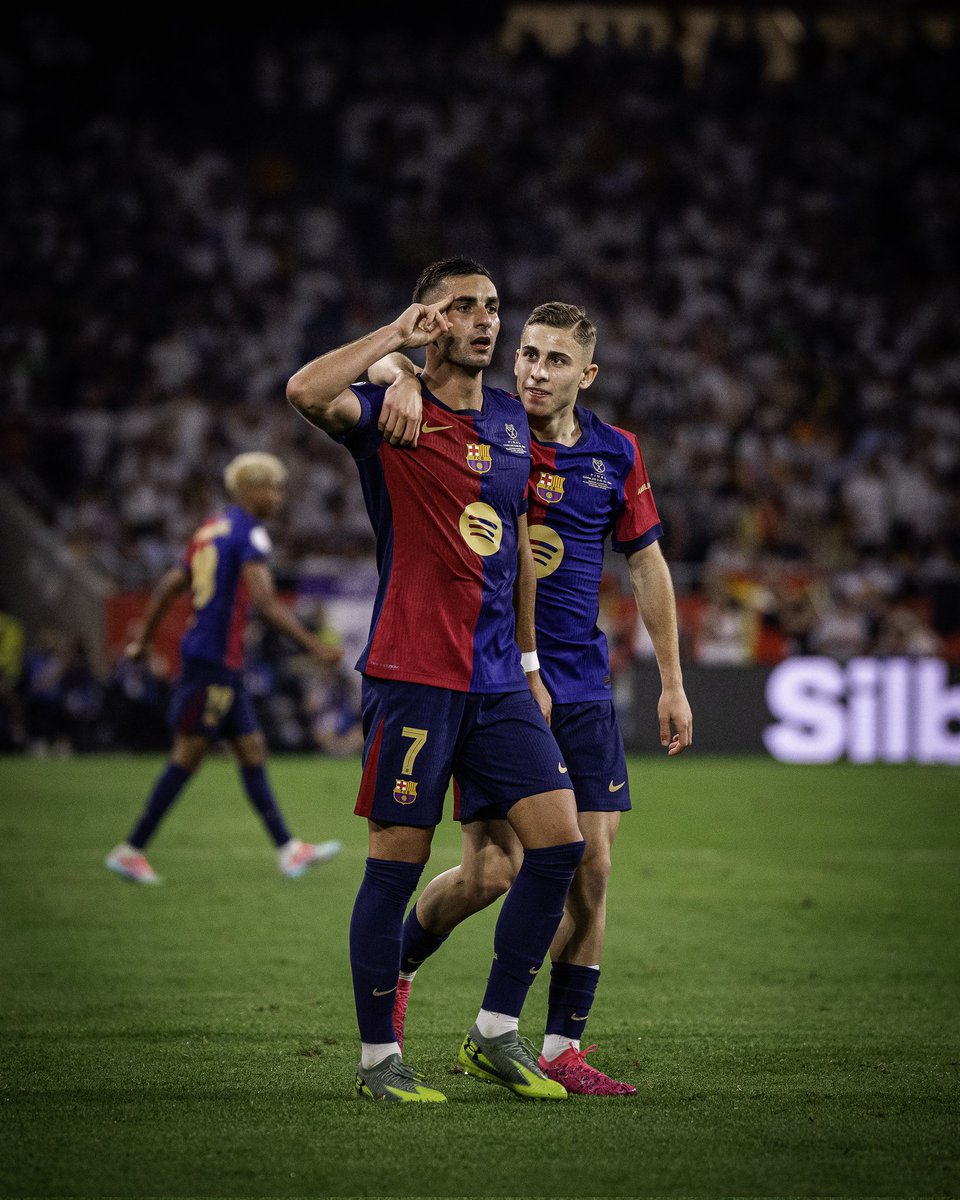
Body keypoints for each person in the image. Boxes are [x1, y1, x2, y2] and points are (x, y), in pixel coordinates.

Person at [373, 301, 693, 1095]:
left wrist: (672, 682)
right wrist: (401, 380)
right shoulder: (491, 423)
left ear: (586, 375)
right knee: (490, 873)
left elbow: (646, 566)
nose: (534, 372)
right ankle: (398, 968)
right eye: (527, 355)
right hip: (496, 678)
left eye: (555, 361)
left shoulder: (616, 453)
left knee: (592, 867)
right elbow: (386, 368)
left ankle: (555, 1048)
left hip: (581, 686)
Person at [285, 257, 585, 1103]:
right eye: (464, 307)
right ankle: (380, 1061)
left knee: (557, 846)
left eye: (492, 306)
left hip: (496, 680)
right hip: (414, 673)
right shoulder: (389, 415)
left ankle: (495, 1032)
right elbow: (305, 392)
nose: (487, 321)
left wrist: (530, 665)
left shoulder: (510, 421)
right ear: (430, 319)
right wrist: (392, 350)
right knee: (396, 869)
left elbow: (519, 545)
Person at [105, 452, 343, 885]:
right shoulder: (250, 534)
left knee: (252, 750)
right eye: (274, 487)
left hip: (214, 659)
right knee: (188, 755)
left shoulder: (210, 529)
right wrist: (315, 646)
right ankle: (131, 848)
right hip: (214, 662)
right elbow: (267, 604)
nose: (279, 496)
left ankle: (289, 850)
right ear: (251, 489)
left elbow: (168, 585)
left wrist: (144, 640)